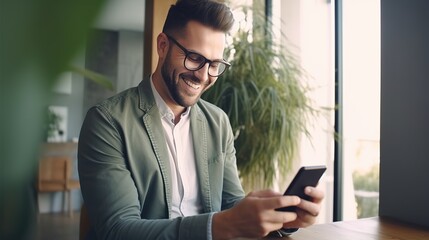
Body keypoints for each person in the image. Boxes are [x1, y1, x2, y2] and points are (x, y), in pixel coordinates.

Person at [78, 0, 324, 239]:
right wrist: (218, 227)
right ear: (163, 46)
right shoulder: (107, 122)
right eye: (194, 58)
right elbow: (119, 230)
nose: (204, 76)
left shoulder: (218, 122)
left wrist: (280, 220)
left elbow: (232, 204)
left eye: (215, 64)